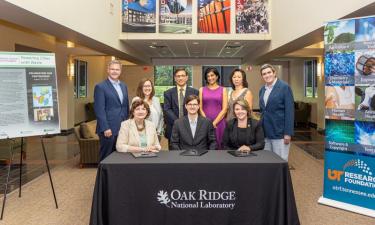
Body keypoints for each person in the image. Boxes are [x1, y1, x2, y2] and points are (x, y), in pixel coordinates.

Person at [94, 60, 129, 161]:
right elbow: (99, 109)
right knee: (106, 157)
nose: (115, 71)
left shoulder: (123, 86)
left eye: (117, 69)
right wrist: (105, 128)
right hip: (108, 129)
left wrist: (128, 124)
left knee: (120, 156)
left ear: (120, 71)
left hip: (122, 127)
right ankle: (103, 176)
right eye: (112, 69)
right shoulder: (100, 87)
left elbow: (125, 107)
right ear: (108, 70)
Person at [259, 64, 294, 161]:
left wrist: (288, 133)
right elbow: (263, 111)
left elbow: (289, 111)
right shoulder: (262, 90)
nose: (267, 75)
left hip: (280, 133)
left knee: (280, 161)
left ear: (274, 73)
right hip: (265, 133)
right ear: (262, 76)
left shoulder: (284, 87)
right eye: (264, 74)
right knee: (267, 161)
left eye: (269, 72)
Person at [164, 68, 199, 149]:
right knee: (173, 153)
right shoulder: (168, 93)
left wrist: (186, 122)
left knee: (190, 152)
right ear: (175, 78)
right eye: (178, 76)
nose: (180, 78)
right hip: (173, 127)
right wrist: (179, 122)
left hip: (191, 127)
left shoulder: (195, 92)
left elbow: (195, 108)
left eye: (183, 76)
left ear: (187, 77)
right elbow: (167, 109)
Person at [199, 67, 228, 149]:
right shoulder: (201, 90)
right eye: (208, 76)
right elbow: (200, 108)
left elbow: (225, 108)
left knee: (219, 144)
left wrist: (214, 123)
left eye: (212, 75)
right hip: (204, 122)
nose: (210, 78)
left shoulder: (223, 90)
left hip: (219, 123)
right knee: (206, 144)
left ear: (217, 76)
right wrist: (207, 122)